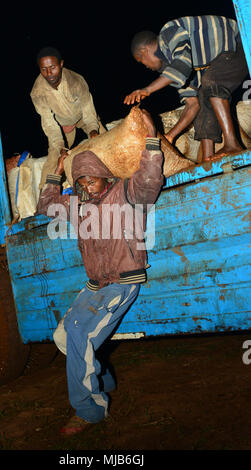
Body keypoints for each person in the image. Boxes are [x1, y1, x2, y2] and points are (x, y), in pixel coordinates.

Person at [36, 109, 163, 435]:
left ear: (105, 176)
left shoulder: (125, 193)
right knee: (64, 336)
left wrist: (151, 138)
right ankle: (103, 380)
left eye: (90, 180)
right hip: (95, 286)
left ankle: (90, 410)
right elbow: (46, 206)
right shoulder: (78, 206)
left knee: (80, 335)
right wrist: (57, 171)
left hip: (121, 284)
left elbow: (150, 179)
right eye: (79, 184)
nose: (86, 188)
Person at [124, 15, 249, 161]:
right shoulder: (172, 69)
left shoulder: (169, 33)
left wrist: (147, 90)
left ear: (144, 50)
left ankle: (232, 144)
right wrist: (170, 136)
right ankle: (208, 157)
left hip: (240, 42)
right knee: (203, 95)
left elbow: (181, 66)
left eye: (142, 61)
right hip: (221, 59)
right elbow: (192, 104)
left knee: (212, 82)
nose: (146, 67)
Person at [30, 47, 105, 188]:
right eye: (44, 69)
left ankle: (114, 177)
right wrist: (60, 146)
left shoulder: (76, 80)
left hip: (83, 117)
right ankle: (44, 195)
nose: (49, 73)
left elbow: (88, 109)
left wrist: (93, 130)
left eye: (52, 67)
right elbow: (49, 123)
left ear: (61, 64)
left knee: (103, 141)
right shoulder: (37, 92)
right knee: (55, 158)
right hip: (62, 125)